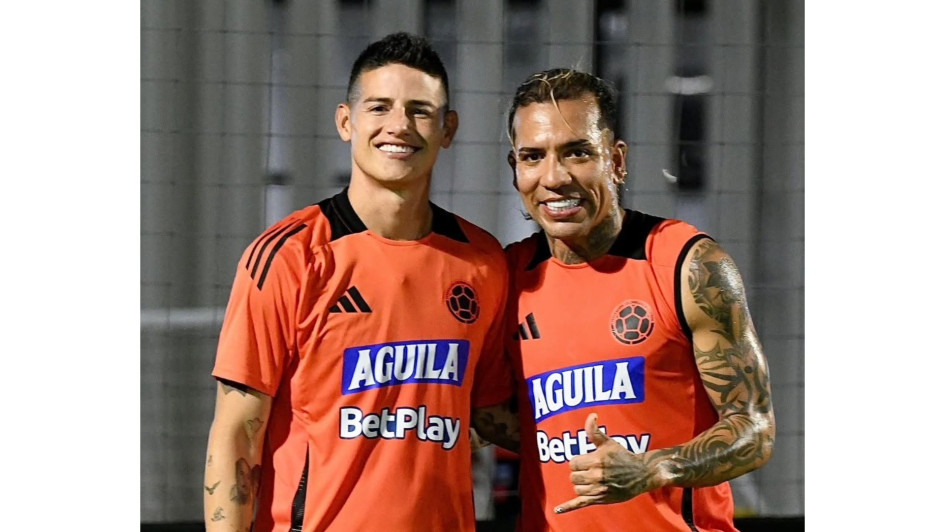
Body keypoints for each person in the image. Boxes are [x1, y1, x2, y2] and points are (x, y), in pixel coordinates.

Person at [203, 32, 518, 532]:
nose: (399, 125)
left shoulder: (483, 262)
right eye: (379, 107)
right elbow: (237, 434)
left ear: (447, 128)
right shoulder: (289, 256)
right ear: (346, 122)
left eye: (419, 110)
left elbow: (487, 414)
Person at [502, 68, 775, 531]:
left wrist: (652, 468)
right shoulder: (505, 279)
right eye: (533, 156)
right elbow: (500, 417)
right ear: (516, 171)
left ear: (617, 161)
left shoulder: (686, 264)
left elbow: (754, 430)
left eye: (577, 153)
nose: (555, 177)